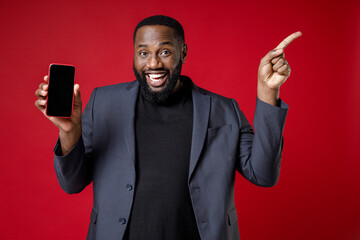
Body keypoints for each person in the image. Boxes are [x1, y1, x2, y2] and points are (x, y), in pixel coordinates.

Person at [35, 15, 301, 240]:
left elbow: (264, 175)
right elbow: (72, 184)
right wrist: (70, 132)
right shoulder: (103, 103)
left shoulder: (223, 109)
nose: (153, 64)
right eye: (143, 53)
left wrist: (268, 92)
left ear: (183, 52)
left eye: (164, 51)